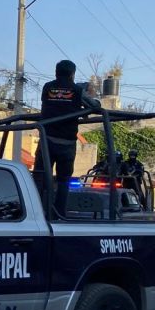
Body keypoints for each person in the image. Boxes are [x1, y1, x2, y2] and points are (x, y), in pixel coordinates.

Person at [34, 60, 101, 216]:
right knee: (63, 181)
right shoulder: (77, 90)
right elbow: (94, 106)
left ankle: (38, 212)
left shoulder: (47, 87)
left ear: (56, 72)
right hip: (66, 143)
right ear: (72, 74)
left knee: (40, 178)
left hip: (46, 140)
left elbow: (52, 105)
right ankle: (59, 214)